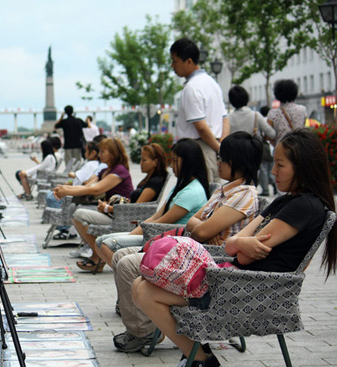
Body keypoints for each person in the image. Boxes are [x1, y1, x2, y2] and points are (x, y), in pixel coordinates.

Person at [132, 128, 336, 367]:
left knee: (144, 291)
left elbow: (245, 255)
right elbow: (234, 245)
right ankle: (198, 356)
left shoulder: (304, 207)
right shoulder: (284, 201)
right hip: (233, 279)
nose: (273, 171)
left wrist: (239, 244)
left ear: (303, 166)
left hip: (248, 291)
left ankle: (201, 359)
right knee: (140, 284)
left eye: (280, 165)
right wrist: (239, 243)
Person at [110, 132, 262, 353]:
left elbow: (201, 231)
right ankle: (146, 326)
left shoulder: (244, 195)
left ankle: (142, 332)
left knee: (127, 265)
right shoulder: (223, 191)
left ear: (237, 161)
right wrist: (199, 225)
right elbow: (195, 223)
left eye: (222, 158)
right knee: (120, 255)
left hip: (206, 263)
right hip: (190, 253)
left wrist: (200, 225)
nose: (218, 162)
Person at [92, 138, 210, 271]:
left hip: (171, 240)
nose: (171, 165)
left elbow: (162, 222)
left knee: (106, 244)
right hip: (159, 233)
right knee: (101, 241)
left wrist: (131, 234)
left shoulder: (192, 191)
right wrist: (131, 234)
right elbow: (156, 217)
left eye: (175, 161)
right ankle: (129, 279)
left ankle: (131, 279)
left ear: (188, 162)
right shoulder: (181, 186)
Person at [52, 138, 134, 271]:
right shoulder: (106, 170)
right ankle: (96, 253)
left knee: (79, 214)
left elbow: (96, 189)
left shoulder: (119, 171)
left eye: (103, 151)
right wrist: (65, 190)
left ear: (113, 153)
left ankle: (97, 256)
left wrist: (66, 191)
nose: (99, 154)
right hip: (108, 212)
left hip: (119, 216)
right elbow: (87, 185)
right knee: (76, 214)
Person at [170, 38, 229, 182]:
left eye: (175, 61)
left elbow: (201, 128)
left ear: (189, 61)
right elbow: (225, 119)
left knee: (201, 195)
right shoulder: (212, 83)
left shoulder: (191, 88)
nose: (172, 66)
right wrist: (222, 147)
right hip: (214, 145)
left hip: (200, 149)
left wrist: (218, 149)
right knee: (214, 191)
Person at [267, 79, 308, 145]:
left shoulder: (273, 113)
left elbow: (269, 135)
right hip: (298, 148)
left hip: (281, 148)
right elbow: (303, 127)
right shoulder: (302, 110)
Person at [258, 106, 278, 197]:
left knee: (263, 169)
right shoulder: (272, 120)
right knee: (271, 168)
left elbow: (266, 134)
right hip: (273, 148)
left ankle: (265, 189)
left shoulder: (262, 120)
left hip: (264, 148)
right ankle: (274, 182)